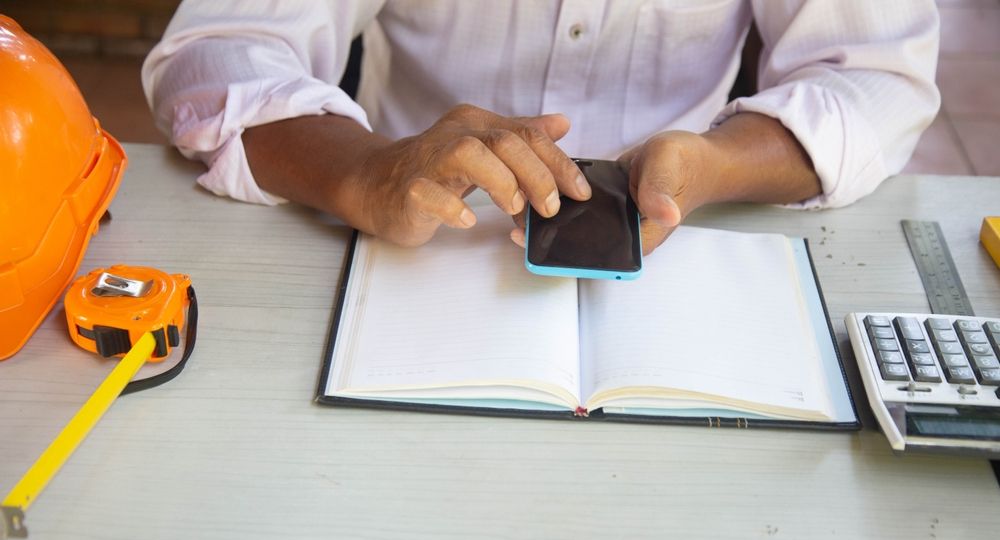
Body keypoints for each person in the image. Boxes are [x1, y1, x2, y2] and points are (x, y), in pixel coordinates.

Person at [142, 1, 940, 253]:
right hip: (402, 238)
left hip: (690, 238)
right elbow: (219, 49)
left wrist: (716, 164)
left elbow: (879, 77)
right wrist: (365, 172)